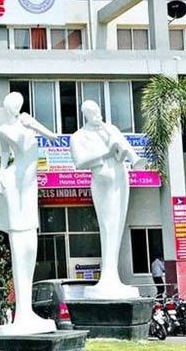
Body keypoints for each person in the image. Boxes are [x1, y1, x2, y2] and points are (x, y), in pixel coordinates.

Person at [0, 92, 57, 335]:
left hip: (30, 185)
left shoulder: (27, 122)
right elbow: (4, 155)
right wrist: (0, 174)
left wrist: (34, 125)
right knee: (19, 243)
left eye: (18, 105)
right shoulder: (3, 130)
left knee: (30, 246)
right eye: (13, 105)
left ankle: (27, 311)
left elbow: (52, 137)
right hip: (14, 182)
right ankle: (21, 313)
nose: (16, 108)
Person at [71, 100, 146, 299]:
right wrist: (106, 152)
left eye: (99, 112)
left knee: (118, 225)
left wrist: (129, 155)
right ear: (86, 115)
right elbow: (79, 162)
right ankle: (107, 275)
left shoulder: (111, 129)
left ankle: (113, 275)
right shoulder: (78, 136)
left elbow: (124, 148)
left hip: (120, 177)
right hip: (102, 182)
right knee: (107, 226)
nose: (98, 116)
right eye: (94, 113)